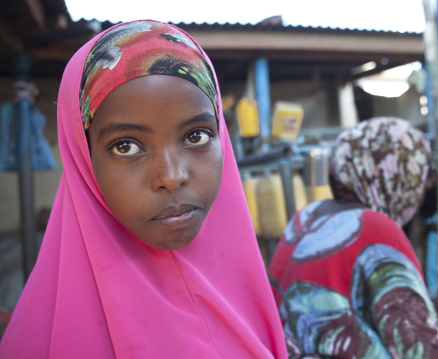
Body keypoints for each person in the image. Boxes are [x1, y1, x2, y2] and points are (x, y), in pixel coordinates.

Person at [0, 20, 287, 358]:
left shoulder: (248, 294)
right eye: (126, 146)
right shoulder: (42, 343)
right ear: (84, 160)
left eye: (196, 136)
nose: (172, 176)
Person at [268, 117, 438, 358]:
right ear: (396, 177)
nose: (420, 197)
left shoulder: (306, 218)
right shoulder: (375, 230)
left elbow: (342, 308)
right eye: (419, 183)